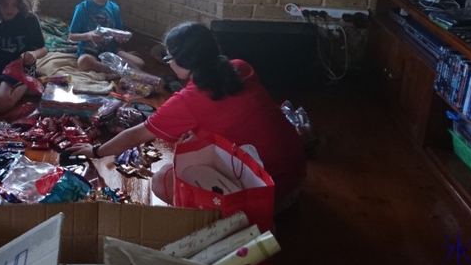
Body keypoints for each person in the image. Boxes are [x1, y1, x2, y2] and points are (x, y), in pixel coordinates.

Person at [68, 22, 306, 211]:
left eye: (169, 57)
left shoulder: (189, 100)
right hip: (295, 173)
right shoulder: (239, 66)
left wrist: (96, 151)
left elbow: (134, 136)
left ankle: (236, 215)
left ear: (182, 61)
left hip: (270, 195)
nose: (169, 62)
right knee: (193, 141)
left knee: (162, 180)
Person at [68, 0, 145, 75]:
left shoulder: (114, 8)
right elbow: (72, 36)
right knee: (83, 62)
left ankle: (115, 65)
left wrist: (120, 38)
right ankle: (111, 69)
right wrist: (88, 35)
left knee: (140, 63)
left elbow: (119, 31)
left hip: (111, 50)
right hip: (90, 51)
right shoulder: (82, 9)